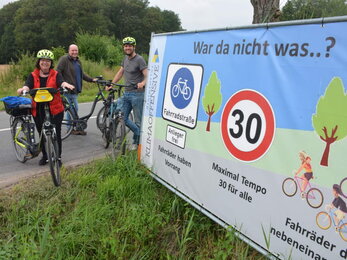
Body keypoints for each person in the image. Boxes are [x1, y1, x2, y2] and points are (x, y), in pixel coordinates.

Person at [17, 49, 75, 166]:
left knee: (56, 133)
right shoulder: (33, 75)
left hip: (55, 108)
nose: (45, 63)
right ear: (39, 62)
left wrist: (66, 85)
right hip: (38, 109)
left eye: (47, 61)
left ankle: (57, 157)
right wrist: (23, 89)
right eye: (42, 61)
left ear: (51, 63)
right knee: (42, 133)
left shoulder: (55, 74)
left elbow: (61, 82)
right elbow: (28, 85)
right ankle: (45, 156)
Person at [111, 37, 148, 150]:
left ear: (134, 47)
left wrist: (142, 83)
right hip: (126, 93)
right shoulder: (125, 59)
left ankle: (137, 144)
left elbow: (148, 75)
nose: (127, 47)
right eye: (126, 46)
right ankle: (137, 133)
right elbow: (120, 72)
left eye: (129, 45)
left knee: (138, 121)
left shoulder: (139, 59)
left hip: (137, 94)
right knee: (123, 118)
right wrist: (112, 84)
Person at [56, 44, 97, 135]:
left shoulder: (78, 61)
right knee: (73, 108)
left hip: (75, 90)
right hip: (68, 90)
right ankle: (72, 128)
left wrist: (92, 80)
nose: (74, 52)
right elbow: (57, 72)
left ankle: (72, 127)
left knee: (73, 109)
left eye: (76, 50)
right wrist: (63, 84)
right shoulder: (64, 60)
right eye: (72, 50)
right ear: (69, 51)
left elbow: (82, 74)